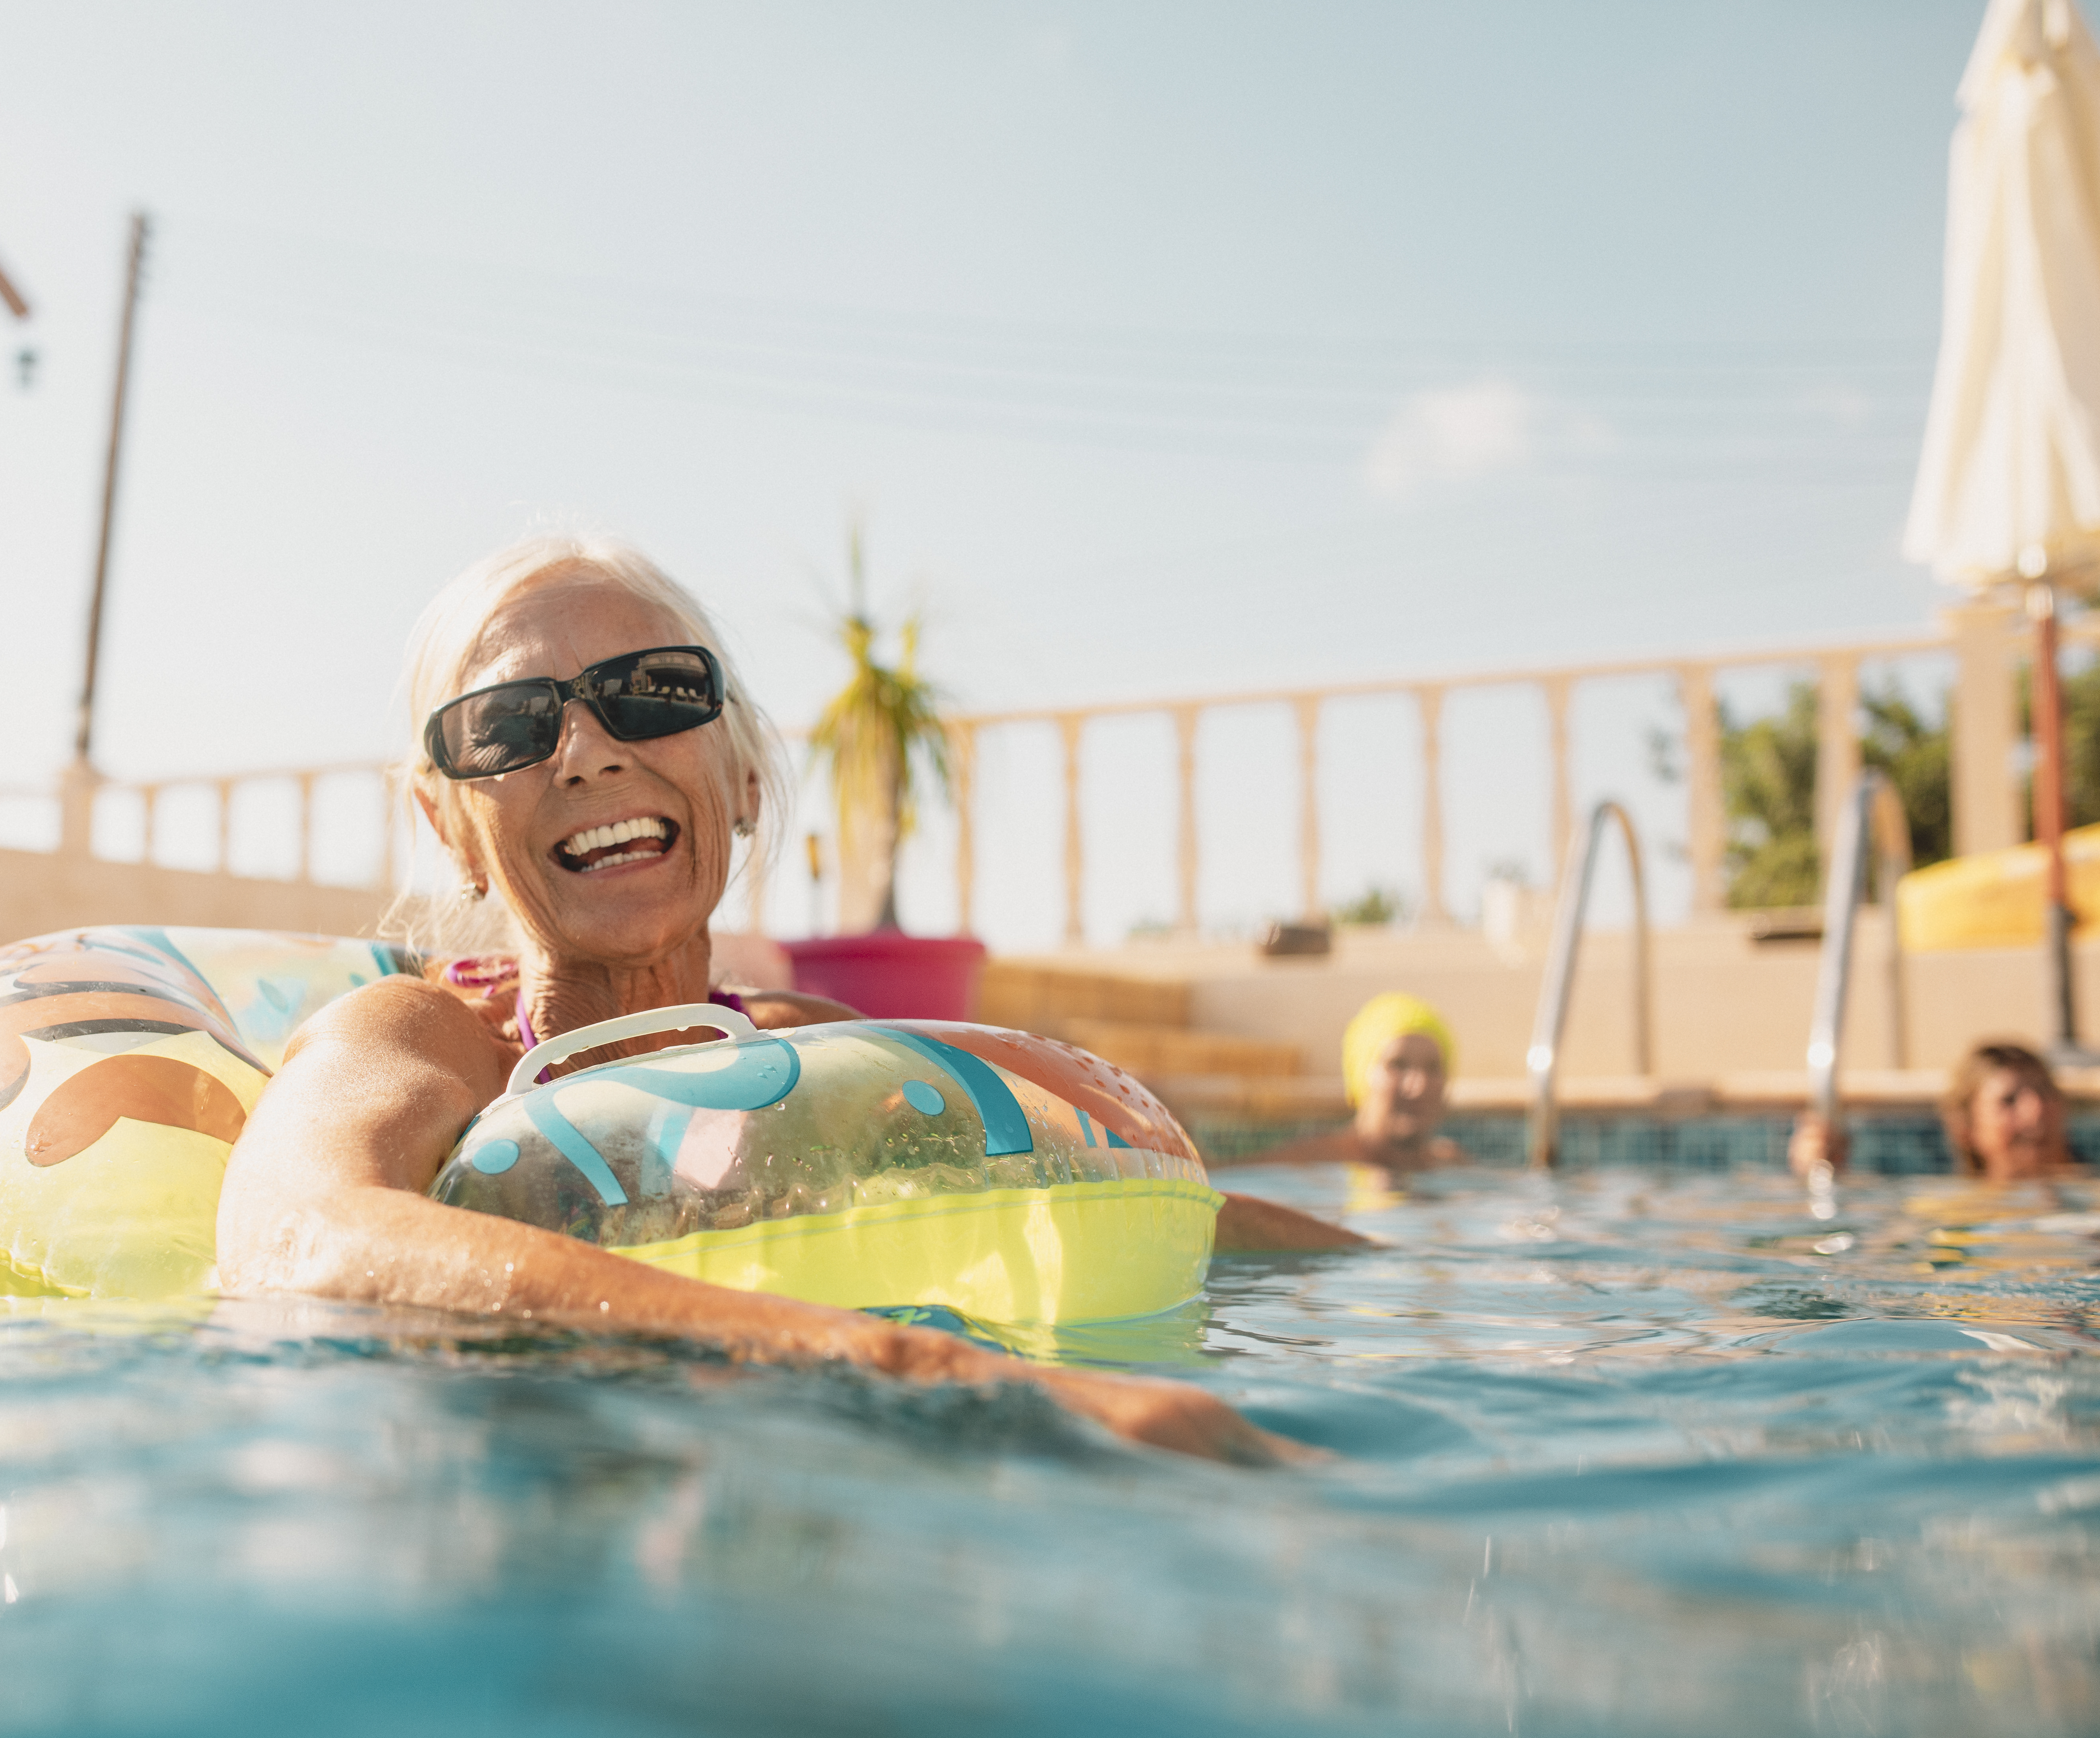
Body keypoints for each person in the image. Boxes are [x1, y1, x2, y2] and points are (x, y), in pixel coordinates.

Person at [216, 537, 1346, 1465]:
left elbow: (1155, 1205)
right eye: (508, 725)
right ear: (447, 825)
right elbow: (299, 1236)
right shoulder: (422, 1041)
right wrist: (936, 1378)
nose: (588, 753)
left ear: (747, 774)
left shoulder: (818, 1053)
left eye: (653, 695)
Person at [1790, 1039, 2075, 1183]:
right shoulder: (1949, 1215)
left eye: (2045, 1093)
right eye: (2010, 1101)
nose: (2036, 1111)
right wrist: (1818, 1173)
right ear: (1967, 1128)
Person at [1249, 992, 1462, 1172]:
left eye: (1433, 1068)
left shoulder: (1451, 1166)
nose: (1418, 1086)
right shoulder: (1309, 1164)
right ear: (1360, 1077)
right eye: (1398, 1065)